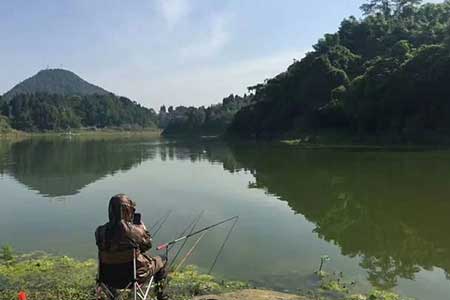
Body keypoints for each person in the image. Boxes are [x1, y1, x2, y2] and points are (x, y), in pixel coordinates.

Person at [95, 194, 168, 300]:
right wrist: (143, 229)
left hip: (107, 279)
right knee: (163, 259)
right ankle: (162, 296)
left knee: (113, 263)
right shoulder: (135, 231)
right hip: (135, 277)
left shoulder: (99, 231)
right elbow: (148, 245)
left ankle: (113, 295)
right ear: (128, 211)